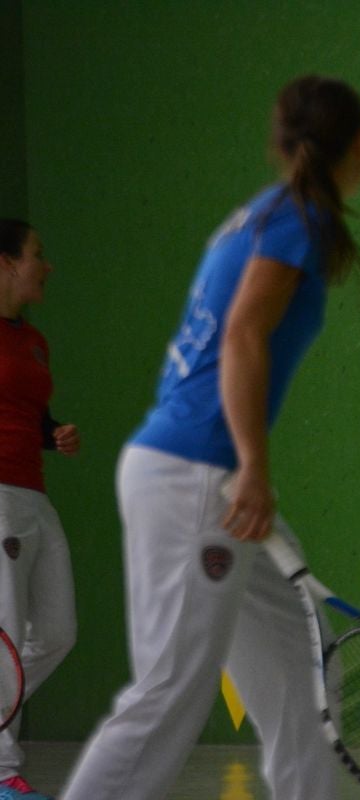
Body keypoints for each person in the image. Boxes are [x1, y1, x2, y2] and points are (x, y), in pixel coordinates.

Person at [61, 74, 360, 800]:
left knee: (306, 656)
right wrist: (255, 465)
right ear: (355, 148)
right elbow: (240, 337)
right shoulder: (298, 219)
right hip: (199, 473)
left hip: (201, 474)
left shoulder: (261, 214)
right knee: (169, 690)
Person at [0, 220, 78, 800]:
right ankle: (3, 774)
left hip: (35, 495)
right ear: (4, 263)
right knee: (5, 634)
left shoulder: (34, 340)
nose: (45, 266)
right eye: (36, 255)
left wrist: (54, 434)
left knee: (56, 632)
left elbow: (31, 415)